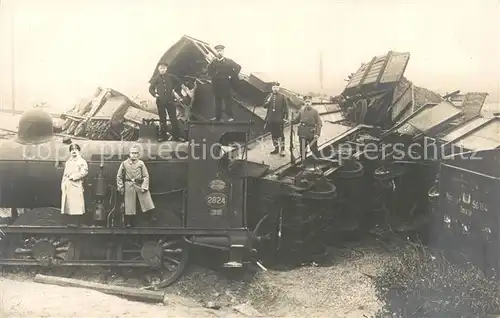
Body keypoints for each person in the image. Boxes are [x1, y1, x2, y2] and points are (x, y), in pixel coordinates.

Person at [116, 145, 155, 227]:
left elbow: (146, 175)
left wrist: (144, 186)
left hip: (139, 184)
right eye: (132, 153)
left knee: (146, 199)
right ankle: (129, 222)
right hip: (129, 184)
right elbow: (119, 176)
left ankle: (150, 216)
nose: (134, 155)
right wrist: (121, 187)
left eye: (136, 153)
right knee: (129, 204)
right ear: (129, 154)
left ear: (138, 154)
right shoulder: (124, 164)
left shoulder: (141, 163)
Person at [149, 62, 183, 142]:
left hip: (170, 101)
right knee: (162, 119)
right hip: (160, 101)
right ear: (158, 69)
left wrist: (175, 90)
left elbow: (179, 83)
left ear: (166, 69)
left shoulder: (170, 77)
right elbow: (151, 89)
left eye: (164, 68)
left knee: (173, 119)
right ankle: (163, 137)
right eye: (161, 68)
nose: (162, 70)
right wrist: (155, 94)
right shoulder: (156, 79)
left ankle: (177, 137)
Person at [207, 44, 241, 121]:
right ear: (216, 52)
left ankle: (230, 116)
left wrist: (231, 75)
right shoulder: (213, 62)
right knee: (217, 102)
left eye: (221, 51)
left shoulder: (229, 61)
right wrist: (213, 76)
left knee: (227, 101)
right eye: (218, 51)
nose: (219, 52)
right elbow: (209, 71)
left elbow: (238, 67)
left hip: (226, 84)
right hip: (216, 85)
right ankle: (217, 117)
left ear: (223, 52)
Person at [61, 143, 88, 227]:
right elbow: (65, 174)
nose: (74, 152)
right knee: (69, 204)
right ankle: (70, 222)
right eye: (72, 150)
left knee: (77, 205)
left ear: (78, 151)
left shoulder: (82, 161)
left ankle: (77, 222)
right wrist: (63, 183)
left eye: (75, 150)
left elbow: (84, 172)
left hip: (76, 184)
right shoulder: (68, 162)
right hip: (68, 185)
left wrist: (74, 177)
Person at [291, 95, 322, 164]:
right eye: (306, 102)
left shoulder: (315, 112)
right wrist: (291, 121)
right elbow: (296, 120)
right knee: (302, 149)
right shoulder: (301, 111)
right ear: (304, 102)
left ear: (311, 102)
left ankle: (318, 161)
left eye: (309, 102)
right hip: (302, 133)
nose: (307, 103)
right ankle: (303, 163)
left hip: (311, 133)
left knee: (313, 149)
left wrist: (317, 134)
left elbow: (319, 123)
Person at [263, 81, 288, 156]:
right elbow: (264, 106)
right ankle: (276, 149)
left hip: (279, 119)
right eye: (274, 87)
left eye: (277, 87)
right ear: (272, 88)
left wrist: (286, 118)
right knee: (273, 135)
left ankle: (282, 150)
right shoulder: (269, 96)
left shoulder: (282, 96)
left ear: (279, 88)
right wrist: (268, 100)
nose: (275, 89)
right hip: (271, 119)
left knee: (281, 135)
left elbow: (286, 108)